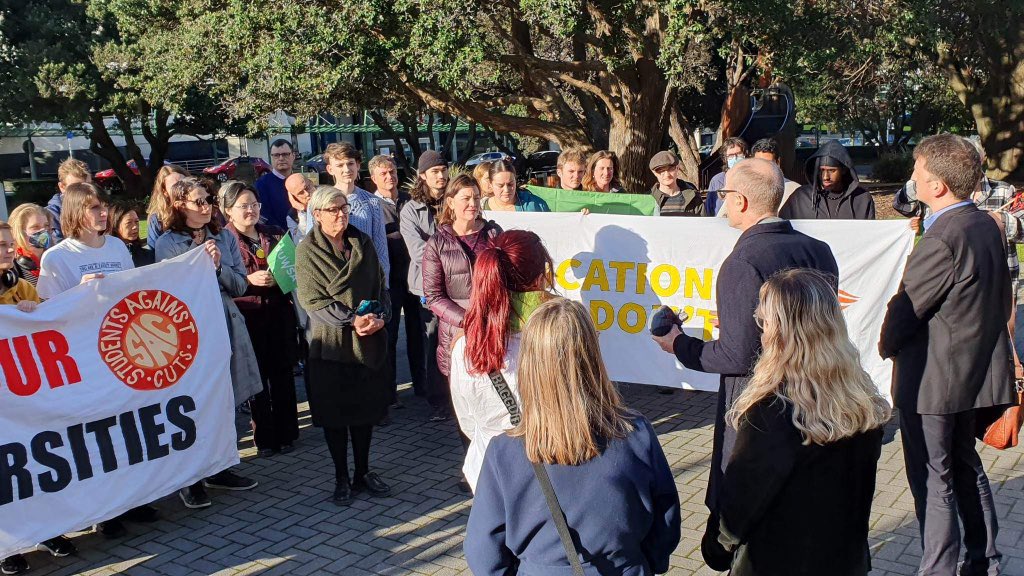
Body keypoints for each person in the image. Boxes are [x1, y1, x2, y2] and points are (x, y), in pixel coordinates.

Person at [650, 157, 838, 569]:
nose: (720, 202)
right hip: (819, 399)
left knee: (748, 527)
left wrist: (680, 344)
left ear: (740, 201)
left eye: (723, 194)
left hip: (759, 411)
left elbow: (735, 355)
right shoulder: (818, 250)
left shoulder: (743, 261)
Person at [879, 134, 1014, 576]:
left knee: (933, 478)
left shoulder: (943, 237)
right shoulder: (985, 225)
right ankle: (983, 558)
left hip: (933, 383)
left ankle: (939, 567)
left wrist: (885, 346)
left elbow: (906, 310)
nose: (912, 178)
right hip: (971, 374)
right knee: (963, 465)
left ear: (937, 185)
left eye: (917, 171)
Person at [465, 298, 680, 575]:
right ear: (592, 356)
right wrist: (642, 563)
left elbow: (483, 552)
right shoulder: (635, 433)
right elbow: (666, 521)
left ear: (529, 364)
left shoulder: (503, 452)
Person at [706, 269, 890, 575]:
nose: (761, 332)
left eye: (764, 322)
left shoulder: (773, 411)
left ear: (781, 332)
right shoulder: (861, 402)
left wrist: (717, 547)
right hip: (843, 562)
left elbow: (741, 504)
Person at [155, 177, 261, 508]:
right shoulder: (168, 243)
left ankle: (220, 466)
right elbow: (170, 292)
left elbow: (240, 285)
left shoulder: (222, 237)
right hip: (189, 332)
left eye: (209, 200)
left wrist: (216, 268)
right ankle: (191, 479)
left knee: (224, 397)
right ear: (179, 206)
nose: (207, 207)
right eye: (199, 201)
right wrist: (199, 264)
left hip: (224, 322)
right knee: (194, 401)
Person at [295, 186, 392, 505]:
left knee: (364, 412)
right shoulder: (307, 251)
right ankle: (341, 476)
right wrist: (352, 320)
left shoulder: (362, 242)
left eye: (344, 208)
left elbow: (380, 285)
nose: (341, 214)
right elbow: (312, 301)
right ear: (317, 214)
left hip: (367, 340)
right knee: (335, 416)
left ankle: (363, 471)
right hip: (330, 345)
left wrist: (381, 315)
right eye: (333, 209)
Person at [0, 221, 78, 575]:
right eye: (1, 246)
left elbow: (46, 316)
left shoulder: (19, 284)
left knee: (33, 463)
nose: (7, 250)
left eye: (8, 244)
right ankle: (7, 547)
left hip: (26, 395)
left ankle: (46, 530)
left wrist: (35, 311)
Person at [450, 230, 554, 491]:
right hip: (548, 470)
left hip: (488, 472)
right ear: (539, 278)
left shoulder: (465, 346)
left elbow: (467, 421)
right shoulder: (556, 338)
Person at [221, 181, 300, 456]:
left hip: (278, 314)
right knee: (257, 379)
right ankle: (265, 438)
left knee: (283, 375)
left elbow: (293, 270)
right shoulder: (224, 240)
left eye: (255, 205)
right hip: (247, 317)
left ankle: (288, 434)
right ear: (228, 210)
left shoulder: (274, 233)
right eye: (244, 206)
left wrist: (279, 278)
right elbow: (223, 277)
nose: (251, 211)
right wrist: (248, 279)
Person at [422, 174, 502, 422]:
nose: (472, 204)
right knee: (467, 415)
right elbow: (433, 296)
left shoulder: (494, 234)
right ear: (450, 202)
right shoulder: (437, 244)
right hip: (457, 335)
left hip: (494, 330)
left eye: (476, 197)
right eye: (466, 198)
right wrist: (468, 320)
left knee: (497, 405)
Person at [369, 154, 426, 406]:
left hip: (414, 275)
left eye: (392, 171)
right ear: (373, 177)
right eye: (383, 173)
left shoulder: (409, 201)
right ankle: (389, 392)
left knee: (418, 332)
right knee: (390, 336)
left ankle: (422, 385)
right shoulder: (371, 205)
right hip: (388, 280)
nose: (389, 177)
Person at [400, 150, 449, 414]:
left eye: (443, 170)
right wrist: (451, 259)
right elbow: (417, 251)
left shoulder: (455, 200)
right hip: (426, 285)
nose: (441, 176)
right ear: (422, 176)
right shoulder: (410, 210)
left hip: (459, 283)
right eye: (434, 171)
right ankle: (438, 400)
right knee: (433, 341)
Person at [36, 183, 134, 300]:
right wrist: (80, 292)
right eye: (95, 207)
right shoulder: (55, 257)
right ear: (75, 211)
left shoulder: (117, 245)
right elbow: (50, 306)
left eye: (105, 206)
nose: (104, 213)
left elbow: (133, 287)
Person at [317, 142, 390, 286]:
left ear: (357, 165)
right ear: (330, 169)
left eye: (350, 163)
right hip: (332, 280)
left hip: (366, 279)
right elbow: (313, 247)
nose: (346, 169)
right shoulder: (318, 203)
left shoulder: (373, 202)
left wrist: (383, 286)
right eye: (340, 165)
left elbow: (380, 249)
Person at [779, 140, 875, 219]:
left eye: (832, 170)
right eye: (822, 170)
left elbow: (869, 233)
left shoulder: (861, 199)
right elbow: (782, 229)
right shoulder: (800, 197)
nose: (825, 177)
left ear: (844, 170)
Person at [253, 139, 298, 229]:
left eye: (285, 154)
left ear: (293, 156)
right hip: (277, 235)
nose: (281, 158)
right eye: (276, 155)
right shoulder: (261, 185)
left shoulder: (301, 182)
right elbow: (262, 216)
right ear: (271, 157)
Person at [8, 203, 54, 286]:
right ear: (19, 232)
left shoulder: (56, 258)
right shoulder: (11, 267)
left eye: (46, 225)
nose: (44, 230)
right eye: (35, 227)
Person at [145, 164, 189, 250]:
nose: (181, 189)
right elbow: (154, 251)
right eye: (174, 186)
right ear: (164, 191)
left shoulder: (202, 208)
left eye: (184, 183)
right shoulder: (158, 219)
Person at [46, 158, 91, 240]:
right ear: (62, 187)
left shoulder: (99, 209)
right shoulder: (50, 215)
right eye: (76, 188)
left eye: (88, 186)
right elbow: (56, 244)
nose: (84, 191)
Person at [480, 159, 550, 212]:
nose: (506, 190)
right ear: (491, 184)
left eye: (510, 184)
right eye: (500, 185)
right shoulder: (480, 208)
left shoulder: (536, 205)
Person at [648, 151, 703, 216]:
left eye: (670, 169)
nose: (667, 175)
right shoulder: (648, 199)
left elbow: (703, 221)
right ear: (654, 173)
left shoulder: (693, 197)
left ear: (677, 168)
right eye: (661, 171)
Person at [706, 137, 748, 215]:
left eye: (739, 154)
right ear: (725, 159)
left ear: (745, 154)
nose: (735, 158)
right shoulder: (717, 180)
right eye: (731, 155)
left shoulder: (752, 178)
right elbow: (709, 210)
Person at [284, 173, 314, 245]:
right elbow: (299, 243)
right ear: (293, 197)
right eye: (301, 193)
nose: (307, 194)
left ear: (311, 183)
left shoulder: (327, 197)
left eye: (307, 187)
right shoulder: (292, 216)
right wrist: (302, 212)